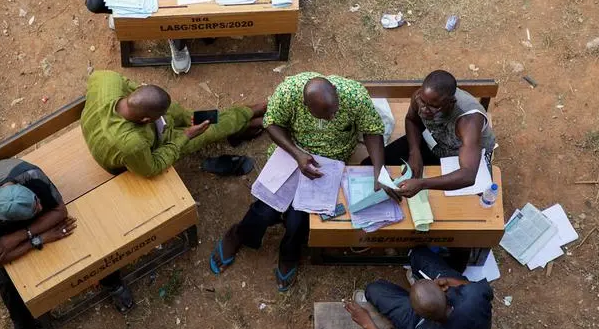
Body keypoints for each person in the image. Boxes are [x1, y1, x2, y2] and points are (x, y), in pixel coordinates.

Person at [209, 73, 387, 291]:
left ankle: (289, 252)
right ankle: (239, 234)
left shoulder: (355, 95)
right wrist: (297, 154)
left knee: (298, 219)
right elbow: (271, 123)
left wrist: (379, 171)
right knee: (266, 209)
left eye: (334, 112)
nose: (331, 119)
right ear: (305, 104)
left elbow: (372, 130)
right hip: (291, 153)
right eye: (324, 116)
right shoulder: (288, 92)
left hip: (329, 162)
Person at [0, 159, 133, 328]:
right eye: (35, 209)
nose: (40, 206)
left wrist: (22, 237)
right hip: (18, 233)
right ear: (7, 220)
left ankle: (112, 281)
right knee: (6, 283)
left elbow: (60, 211)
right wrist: (39, 238)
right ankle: (27, 325)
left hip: (22, 234)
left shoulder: (32, 177)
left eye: (37, 201)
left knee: (85, 232)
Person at [81, 70, 266, 177]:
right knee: (208, 131)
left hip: (141, 132)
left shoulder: (107, 79)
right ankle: (252, 115)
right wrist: (186, 136)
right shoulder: (132, 144)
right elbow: (151, 167)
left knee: (190, 116)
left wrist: (178, 117)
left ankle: (245, 120)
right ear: (146, 120)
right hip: (139, 156)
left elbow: (136, 87)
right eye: (158, 116)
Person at [366, 70, 496, 199]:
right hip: (435, 141)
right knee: (367, 165)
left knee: (473, 203)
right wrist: (414, 152)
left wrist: (422, 184)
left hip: (462, 155)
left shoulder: (469, 121)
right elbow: (412, 120)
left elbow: (468, 175)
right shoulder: (421, 97)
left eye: (432, 107)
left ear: (451, 103)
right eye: (422, 102)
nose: (423, 109)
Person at [344, 247, 493, 329]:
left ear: (417, 313)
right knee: (418, 254)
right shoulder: (473, 300)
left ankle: (415, 295)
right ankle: (419, 274)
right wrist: (450, 281)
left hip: (416, 322)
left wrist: (366, 322)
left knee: (373, 290)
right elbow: (475, 287)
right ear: (444, 291)